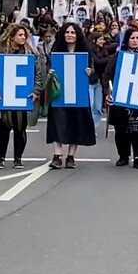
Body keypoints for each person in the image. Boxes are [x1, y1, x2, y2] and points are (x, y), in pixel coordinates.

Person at [0, 24, 45, 169]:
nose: (23, 37)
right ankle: (1, 158)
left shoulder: (31, 53)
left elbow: (39, 74)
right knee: (3, 129)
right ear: (11, 35)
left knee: (20, 129)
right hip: (4, 97)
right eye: (20, 35)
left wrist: (36, 90)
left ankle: (18, 159)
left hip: (22, 97)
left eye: (24, 35)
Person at [103, 28, 138, 169]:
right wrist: (107, 93)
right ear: (127, 39)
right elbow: (107, 75)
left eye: (137, 38)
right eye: (132, 38)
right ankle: (123, 156)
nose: (135, 40)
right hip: (121, 99)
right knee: (121, 131)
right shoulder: (118, 56)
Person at [46, 23, 96, 169]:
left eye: (73, 32)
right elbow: (49, 68)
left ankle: (71, 156)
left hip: (78, 94)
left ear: (77, 35)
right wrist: (50, 74)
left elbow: (93, 74)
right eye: (67, 32)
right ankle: (57, 156)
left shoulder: (85, 52)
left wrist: (90, 72)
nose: (70, 35)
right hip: (60, 94)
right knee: (58, 123)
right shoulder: (56, 50)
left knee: (76, 124)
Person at [89, 31, 109, 132]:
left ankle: (93, 129)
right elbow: (98, 61)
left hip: (99, 82)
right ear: (94, 40)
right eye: (100, 39)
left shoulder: (104, 51)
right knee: (90, 105)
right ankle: (88, 128)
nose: (103, 41)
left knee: (97, 107)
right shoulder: (90, 51)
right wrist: (111, 58)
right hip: (90, 81)